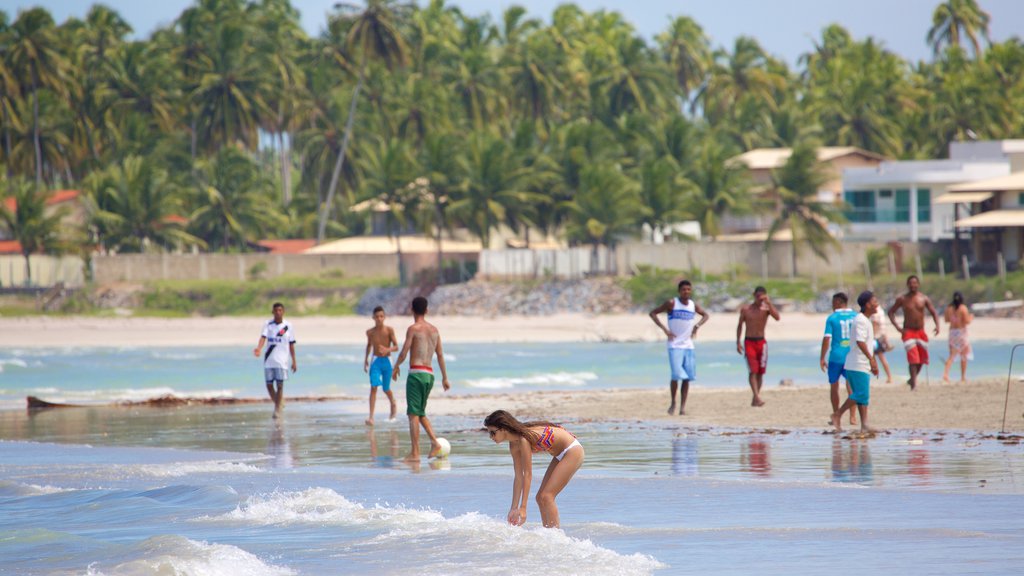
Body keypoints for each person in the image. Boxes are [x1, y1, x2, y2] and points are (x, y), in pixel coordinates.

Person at [483, 409, 584, 529]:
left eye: (492, 433)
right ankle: (549, 533)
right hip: (560, 454)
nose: (491, 437)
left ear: (503, 428)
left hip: (572, 450)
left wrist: (523, 508)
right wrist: (514, 508)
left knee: (547, 496)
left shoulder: (523, 439)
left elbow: (528, 475)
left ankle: (556, 536)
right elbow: (519, 477)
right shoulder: (513, 444)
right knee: (540, 498)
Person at [392, 296, 450, 461]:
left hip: (416, 374)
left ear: (412, 309)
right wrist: (445, 378)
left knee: (413, 414)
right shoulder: (434, 330)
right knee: (420, 412)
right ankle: (434, 443)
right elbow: (439, 355)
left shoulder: (413, 329)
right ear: (427, 310)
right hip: (429, 375)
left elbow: (404, 351)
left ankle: (415, 453)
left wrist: (396, 367)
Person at [648, 279, 710, 415]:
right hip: (674, 345)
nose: (686, 292)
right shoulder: (672, 303)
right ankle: (673, 403)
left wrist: (697, 326)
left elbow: (706, 315)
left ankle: (682, 408)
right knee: (676, 375)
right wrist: (665, 330)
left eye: (688, 289)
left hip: (688, 345)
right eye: (683, 290)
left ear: (691, 291)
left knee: (687, 377)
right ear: (679, 291)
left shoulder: (693, 305)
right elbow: (653, 313)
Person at [832, 291, 879, 433]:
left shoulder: (866, 320)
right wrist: (871, 360)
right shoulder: (860, 320)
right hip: (857, 363)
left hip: (862, 363)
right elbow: (860, 342)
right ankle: (837, 414)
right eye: (874, 301)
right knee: (861, 394)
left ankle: (864, 424)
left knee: (863, 397)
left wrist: (873, 361)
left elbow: (868, 344)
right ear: (867, 304)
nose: (877, 304)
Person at [887, 275, 940, 390]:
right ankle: (914, 385)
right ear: (907, 285)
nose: (913, 285)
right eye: (910, 283)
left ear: (918, 284)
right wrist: (898, 328)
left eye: (915, 283)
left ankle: (912, 379)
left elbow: (934, 312)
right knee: (913, 358)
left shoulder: (923, 298)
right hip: (908, 332)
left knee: (921, 359)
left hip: (921, 331)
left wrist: (937, 326)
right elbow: (891, 312)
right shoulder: (902, 299)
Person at [736, 286, 780, 407]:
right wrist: (738, 342)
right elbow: (739, 325)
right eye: (757, 296)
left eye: (762, 296)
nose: (759, 299)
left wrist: (769, 303)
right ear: (754, 295)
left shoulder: (766, 309)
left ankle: (756, 397)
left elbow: (777, 318)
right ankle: (756, 396)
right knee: (752, 371)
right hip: (749, 341)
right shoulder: (746, 309)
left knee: (760, 372)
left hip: (762, 342)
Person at [819, 292, 858, 425]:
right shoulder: (856, 316)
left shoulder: (832, 318)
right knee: (851, 386)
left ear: (838, 303)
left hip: (836, 357)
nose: (832, 306)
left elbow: (827, 338)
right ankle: (853, 417)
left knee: (834, 386)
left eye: (833, 303)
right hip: (852, 356)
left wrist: (822, 357)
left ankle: (837, 415)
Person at [252, 302, 296, 418]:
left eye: (280, 310)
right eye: (276, 311)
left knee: (280, 385)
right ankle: (279, 402)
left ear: (283, 312)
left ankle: (277, 410)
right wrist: (259, 348)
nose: (278, 313)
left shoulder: (288, 326)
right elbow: (263, 337)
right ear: (273, 312)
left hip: (282, 361)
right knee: (269, 385)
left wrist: (294, 361)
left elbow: (291, 344)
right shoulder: (268, 324)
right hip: (269, 360)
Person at [364, 305, 399, 425]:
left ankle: (393, 403)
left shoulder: (389, 330)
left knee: (386, 388)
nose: (379, 319)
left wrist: (387, 349)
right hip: (375, 361)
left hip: (387, 361)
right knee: (373, 386)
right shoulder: (370, 332)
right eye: (377, 316)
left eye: (381, 316)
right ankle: (371, 417)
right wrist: (366, 360)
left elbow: (396, 346)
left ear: (384, 317)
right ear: (373, 317)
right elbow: (368, 346)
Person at [942, 291, 974, 384]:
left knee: (952, 355)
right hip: (961, 333)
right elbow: (967, 321)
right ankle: (963, 377)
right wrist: (971, 317)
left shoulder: (949, 308)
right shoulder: (963, 308)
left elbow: (946, 320)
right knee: (964, 355)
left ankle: (946, 374)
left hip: (952, 332)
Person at [869, 308, 895, 384]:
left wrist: (871, 337)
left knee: (871, 358)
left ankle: (888, 377)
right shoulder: (881, 311)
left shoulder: (875, 312)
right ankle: (889, 377)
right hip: (881, 337)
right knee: (880, 358)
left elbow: (875, 324)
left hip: (876, 338)